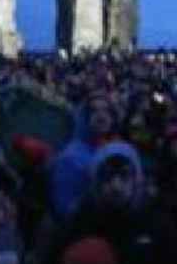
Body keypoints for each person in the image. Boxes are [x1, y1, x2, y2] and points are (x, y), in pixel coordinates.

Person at [45, 142, 177, 264]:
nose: (116, 186)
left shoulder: (157, 223)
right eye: (107, 176)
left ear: (137, 179)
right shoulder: (80, 223)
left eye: (124, 175)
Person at [48, 90, 122, 221]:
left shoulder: (117, 148)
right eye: (94, 111)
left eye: (106, 111)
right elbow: (65, 209)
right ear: (84, 117)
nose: (101, 116)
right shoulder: (70, 158)